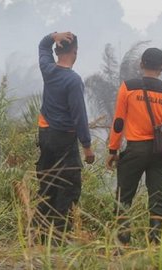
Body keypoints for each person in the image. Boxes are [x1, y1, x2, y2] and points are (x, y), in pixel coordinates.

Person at [105, 48, 162, 245]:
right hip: (161, 153)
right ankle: (155, 244)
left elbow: (118, 122)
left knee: (124, 195)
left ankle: (122, 243)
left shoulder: (128, 87)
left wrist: (113, 150)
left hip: (136, 149)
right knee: (157, 195)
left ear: (141, 64)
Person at [35, 32, 95, 240]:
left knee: (47, 183)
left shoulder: (48, 70)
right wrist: (87, 146)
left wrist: (53, 36)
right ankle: (59, 236)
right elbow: (79, 115)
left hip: (45, 136)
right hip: (64, 139)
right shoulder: (73, 80)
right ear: (75, 52)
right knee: (68, 187)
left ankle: (39, 233)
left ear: (57, 51)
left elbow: (42, 48)